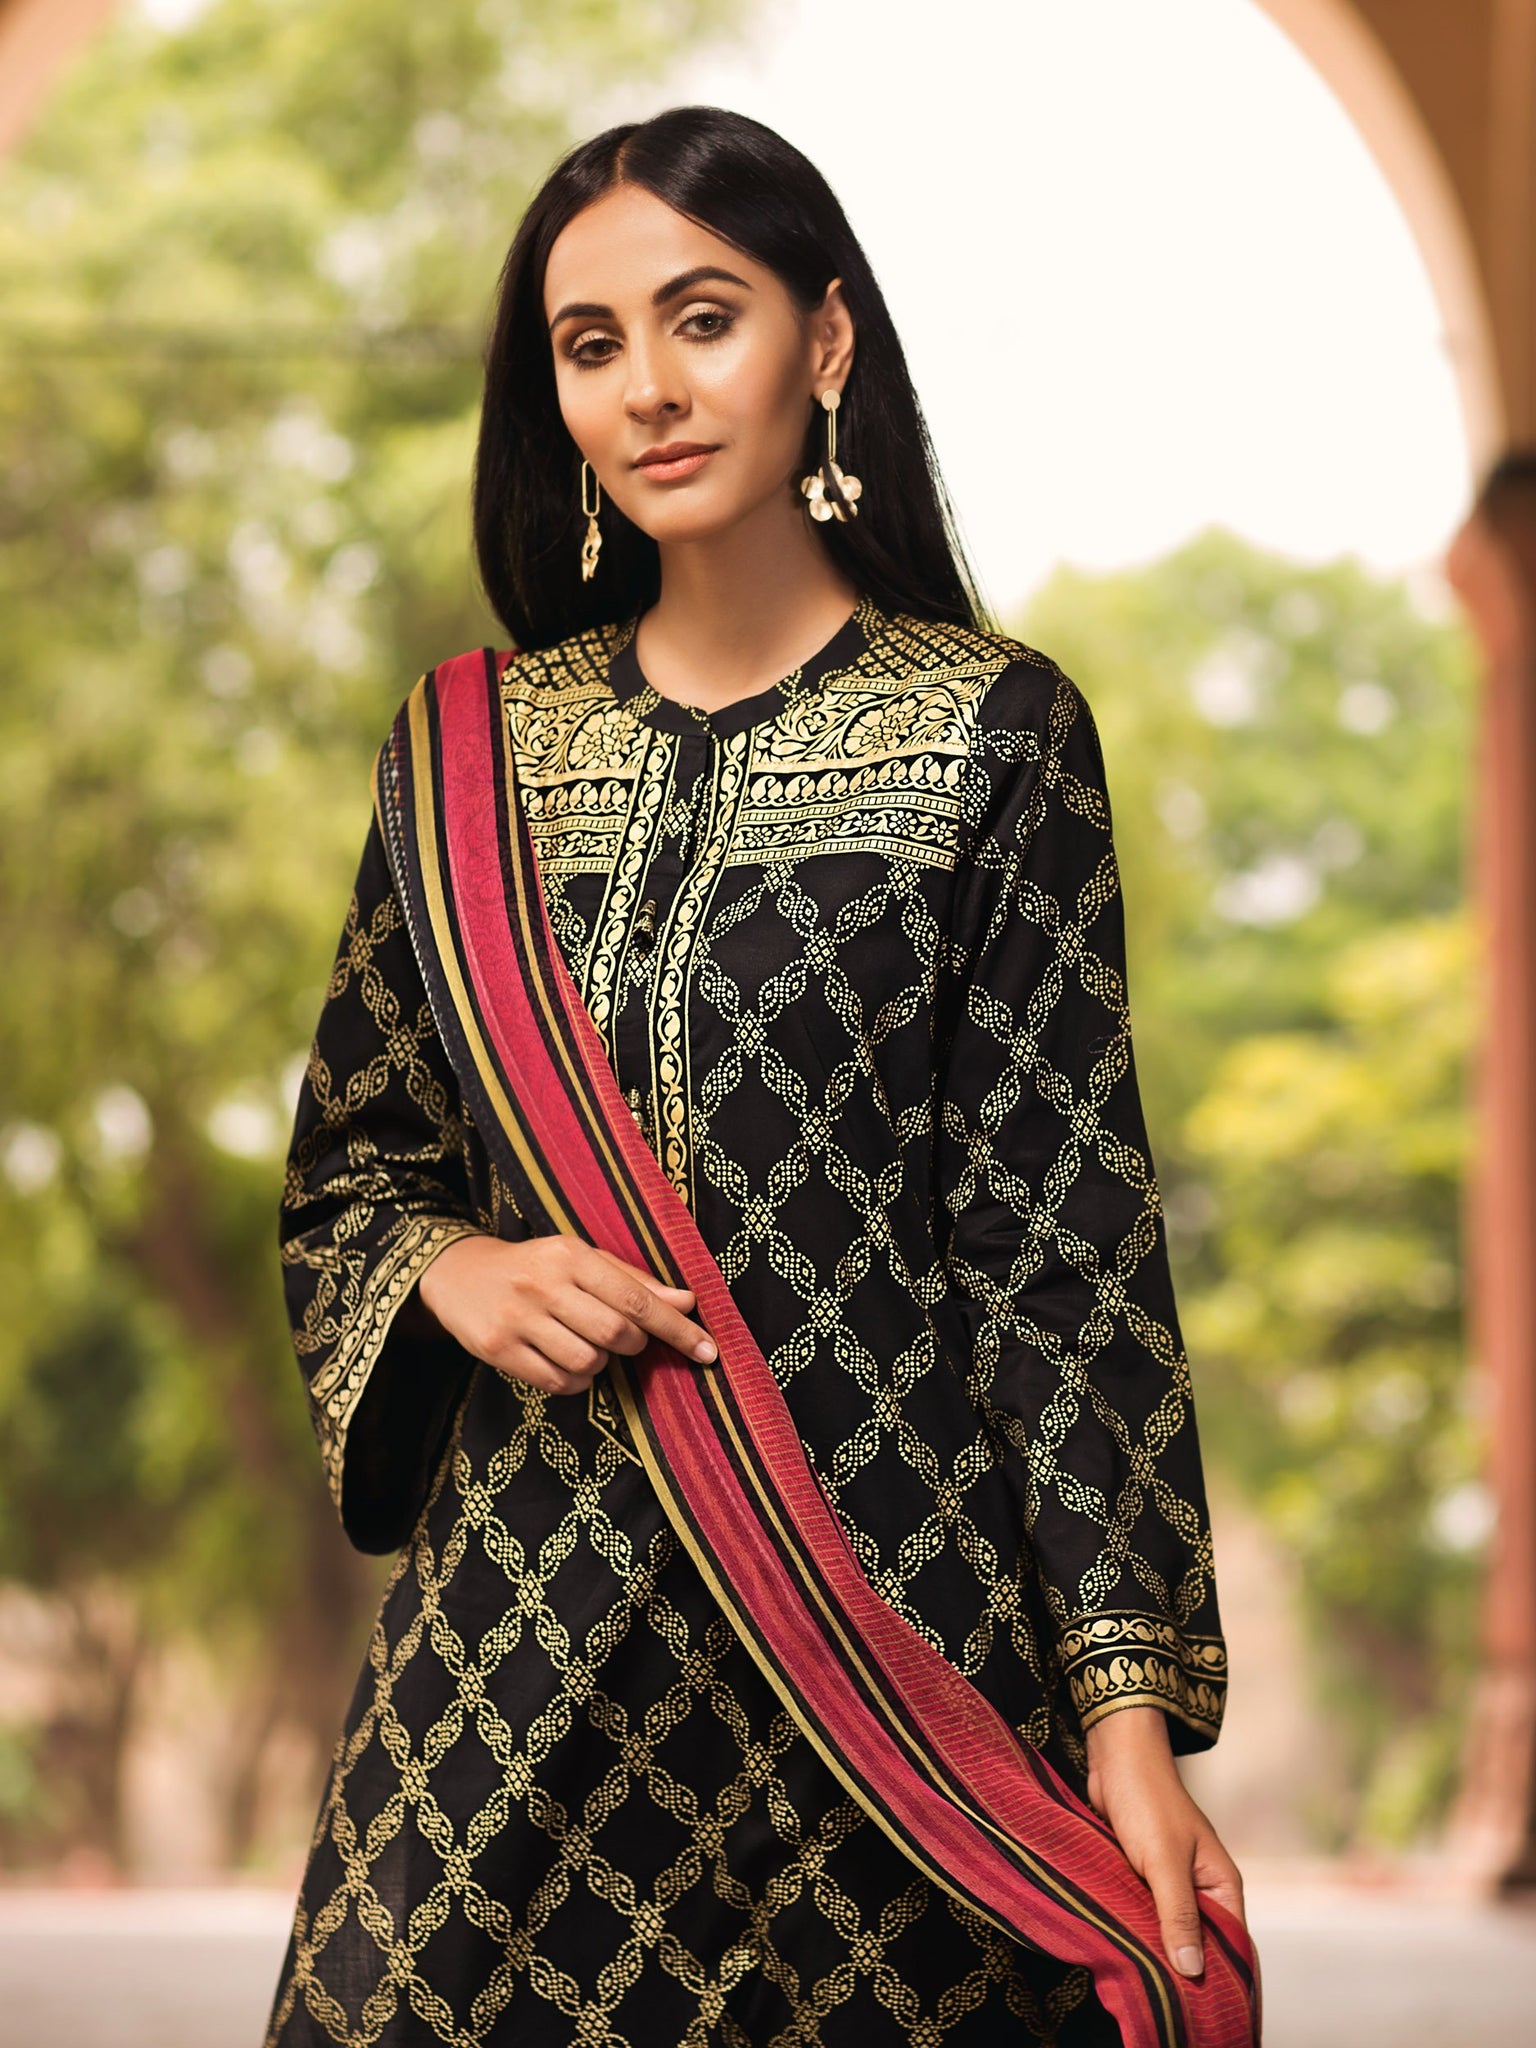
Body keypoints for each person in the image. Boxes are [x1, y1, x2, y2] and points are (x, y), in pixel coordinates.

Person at [265, 105, 1258, 2048]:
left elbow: (1061, 1259)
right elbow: (352, 1174)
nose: (648, 386)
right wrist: (458, 1271)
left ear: (827, 340)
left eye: (701, 318)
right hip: (518, 1656)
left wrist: (1127, 1724)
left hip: (884, 1656)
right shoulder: (469, 760)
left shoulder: (994, 736)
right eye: (591, 344)